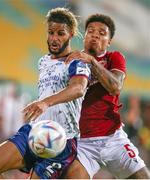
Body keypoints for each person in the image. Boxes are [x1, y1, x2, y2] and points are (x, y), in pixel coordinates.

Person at [0, 7, 91, 179]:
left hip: (61, 140)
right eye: (51, 32)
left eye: (61, 33)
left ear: (71, 34)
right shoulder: (43, 61)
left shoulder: (78, 62)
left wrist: (46, 102)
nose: (54, 38)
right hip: (34, 131)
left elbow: (78, 89)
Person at [64, 13, 150, 179]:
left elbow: (115, 87)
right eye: (90, 31)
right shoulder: (71, 62)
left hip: (112, 138)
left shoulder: (114, 58)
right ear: (85, 36)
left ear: (109, 41)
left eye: (102, 33)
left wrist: (92, 62)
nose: (95, 34)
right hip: (81, 143)